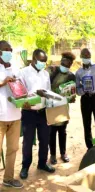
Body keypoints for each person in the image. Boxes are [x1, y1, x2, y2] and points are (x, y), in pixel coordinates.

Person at [19, 49, 55, 180]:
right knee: (28, 141)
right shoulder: (23, 73)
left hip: (43, 112)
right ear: (34, 59)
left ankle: (42, 163)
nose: (43, 64)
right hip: (29, 112)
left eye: (45, 62)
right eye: (41, 61)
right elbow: (20, 93)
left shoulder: (45, 74)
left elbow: (49, 91)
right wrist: (35, 93)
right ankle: (25, 166)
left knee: (45, 139)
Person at [0, 40, 23, 192]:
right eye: (5, 49)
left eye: (10, 49)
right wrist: (3, 82)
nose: (9, 51)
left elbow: (20, 86)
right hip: (0, 116)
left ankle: (8, 178)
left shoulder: (14, 66)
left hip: (15, 114)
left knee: (13, 149)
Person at [46, 52, 76, 164]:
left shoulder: (71, 76)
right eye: (63, 62)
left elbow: (72, 92)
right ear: (61, 60)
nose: (65, 64)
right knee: (52, 132)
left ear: (71, 64)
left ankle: (63, 153)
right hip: (51, 105)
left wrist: (72, 97)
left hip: (63, 107)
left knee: (62, 131)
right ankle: (52, 155)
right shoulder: (52, 70)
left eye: (68, 63)